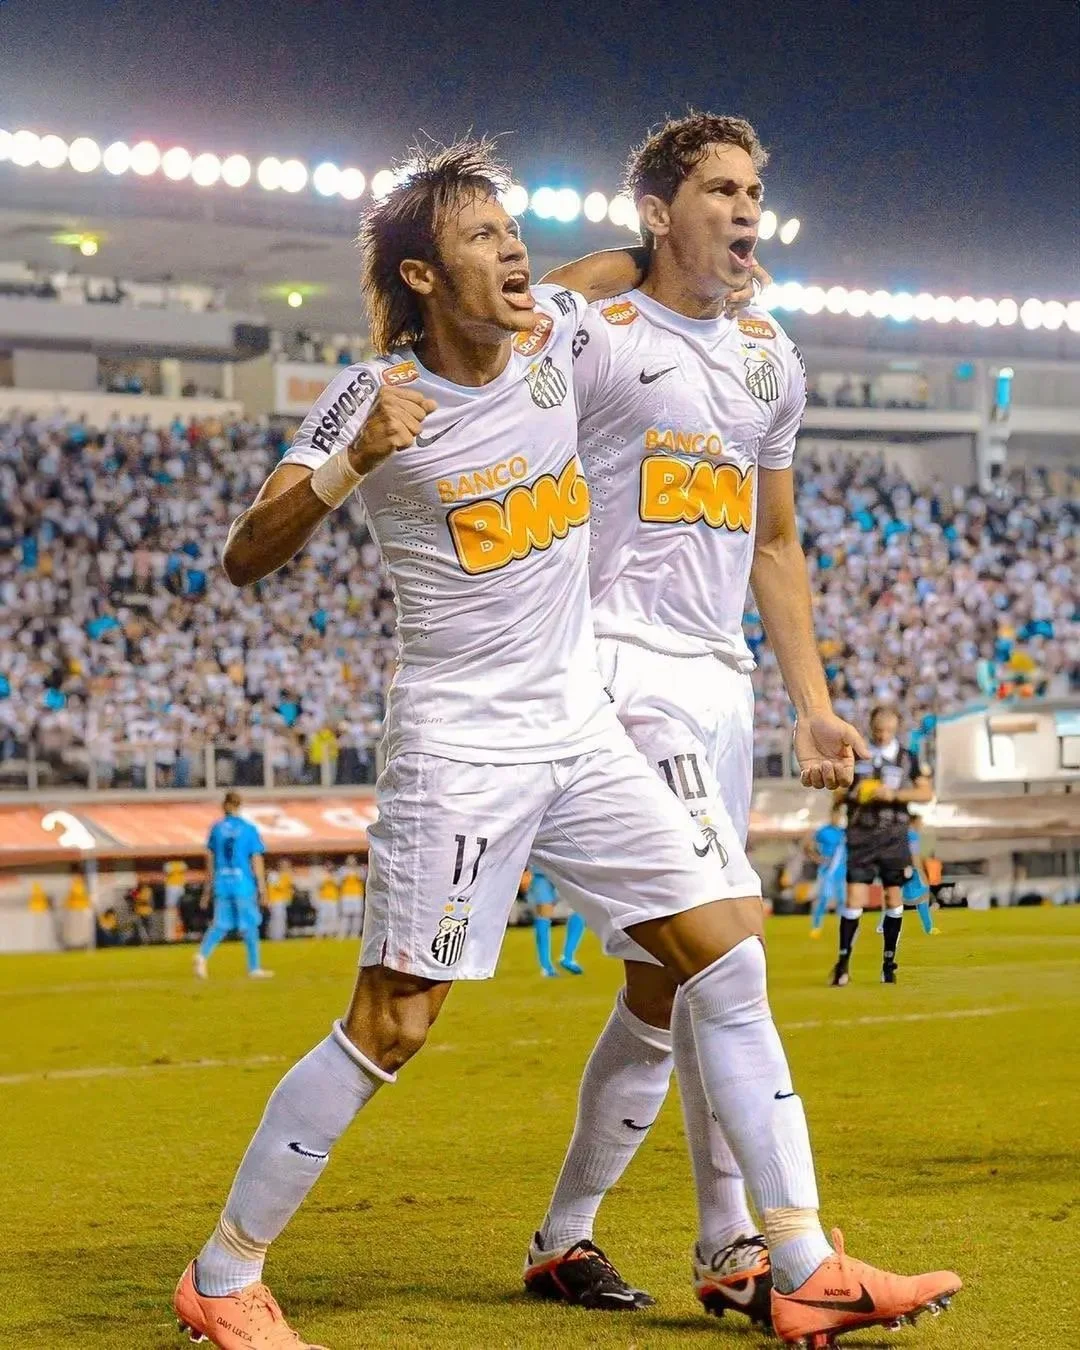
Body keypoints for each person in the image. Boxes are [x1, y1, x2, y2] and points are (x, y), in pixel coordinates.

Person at [172, 139, 958, 1350]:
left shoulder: (559, 343)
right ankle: (224, 1275)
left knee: (725, 954)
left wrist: (707, 257)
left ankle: (800, 1261)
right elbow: (245, 553)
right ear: (423, 276)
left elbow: (630, 273)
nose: (514, 253)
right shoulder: (371, 392)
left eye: (512, 233)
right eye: (483, 237)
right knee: (394, 1022)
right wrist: (352, 462)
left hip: (582, 729)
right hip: (462, 746)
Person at [525, 112, 954, 1339]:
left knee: (666, 984)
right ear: (661, 210)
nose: (747, 207)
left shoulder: (771, 358)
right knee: (733, 958)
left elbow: (774, 541)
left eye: (754, 189)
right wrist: (631, 260)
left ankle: (570, 1240)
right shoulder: (603, 333)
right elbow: (507, 316)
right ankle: (785, 1253)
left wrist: (813, 705)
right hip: (617, 673)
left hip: (719, 684)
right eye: (718, 189)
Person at [831, 706, 933, 986]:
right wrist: (853, 795)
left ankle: (888, 964)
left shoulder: (907, 758)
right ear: (871, 727)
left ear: (895, 729)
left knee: (893, 897)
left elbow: (926, 792)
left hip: (893, 837)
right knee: (854, 898)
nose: (882, 735)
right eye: (878, 730)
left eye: (887, 731)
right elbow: (838, 792)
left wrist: (894, 795)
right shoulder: (856, 755)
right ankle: (843, 964)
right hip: (861, 835)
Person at [194, 791, 272, 980]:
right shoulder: (248, 828)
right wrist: (262, 888)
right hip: (242, 883)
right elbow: (256, 859)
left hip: (222, 882)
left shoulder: (216, 829)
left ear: (224, 805)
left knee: (221, 924)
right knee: (250, 924)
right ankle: (254, 967)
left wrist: (207, 889)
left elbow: (210, 860)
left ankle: (202, 955)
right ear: (240, 805)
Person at [525, 865, 587, 976]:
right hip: (544, 871)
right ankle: (550, 964)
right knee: (544, 913)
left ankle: (563, 959)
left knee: (579, 909)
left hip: (562, 871)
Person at [809, 805, 847, 937]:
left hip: (841, 870)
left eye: (839, 816)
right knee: (823, 898)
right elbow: (808, 845)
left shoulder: (843, 832)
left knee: (842, 900)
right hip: (827, 869)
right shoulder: (823, 831)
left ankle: (844, 927)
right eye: (834, 815)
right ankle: (816, 926)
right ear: (831, 816)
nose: (837, 818)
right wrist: (817, 858)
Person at [339, 855, 366, 939]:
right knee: (345, 915)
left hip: (357, 895)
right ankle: (343, 933)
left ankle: (355, 933)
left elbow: (362, 878)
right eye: (349, 860)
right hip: (346, 895)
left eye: (353, 860)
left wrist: (356, 871)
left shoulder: (360, 870)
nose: (351, 862)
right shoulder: (343, 870)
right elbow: (340, 880)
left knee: (357, 915)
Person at [164, 857, 188, 942]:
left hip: (180, 886)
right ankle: (170, 934)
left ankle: (180, 933)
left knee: (180, 908)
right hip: (171, 886)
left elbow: (184, 868)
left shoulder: (182, 863)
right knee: (171, 908)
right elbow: (167, 870)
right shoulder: (169, 864)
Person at [314, 861, 340, 938]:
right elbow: (318, 886)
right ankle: (320, 933)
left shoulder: (336, 875)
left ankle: (331, 933)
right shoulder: (321, 875)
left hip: (333, 899)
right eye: (327, 866)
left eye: (330, 866)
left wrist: (332, 878)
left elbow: (338, 884)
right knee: (322, 917)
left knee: (332, 917)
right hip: (324, 899)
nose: (329, 868)